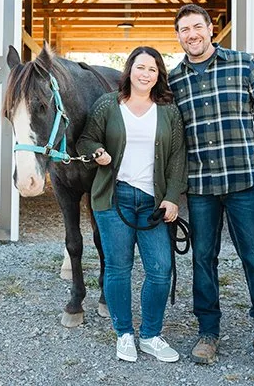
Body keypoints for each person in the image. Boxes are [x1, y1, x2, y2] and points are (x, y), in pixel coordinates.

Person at [168, 4, 254, 373]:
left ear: (210, 28)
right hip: (201, 187)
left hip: (243, 182)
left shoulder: (242, 64)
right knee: (203, 259)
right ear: (179, 36)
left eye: (197, 26)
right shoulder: (174, 80)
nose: (192, 34)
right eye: (184, 29)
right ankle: (208, 332)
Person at [77, 46, 187, 363]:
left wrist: (172, 197)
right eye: (140, 67)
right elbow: (85, 139)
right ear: (129, 70)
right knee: (118, 267)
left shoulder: (168, 111)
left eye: (152, 69)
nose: (145, 74)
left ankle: (150, 335)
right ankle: (124, 334)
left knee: (160, 269)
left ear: (158, 75)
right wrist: (97, 152)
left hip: (154, 202)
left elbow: (178, 156)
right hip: (115, 198)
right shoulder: (107, 104)